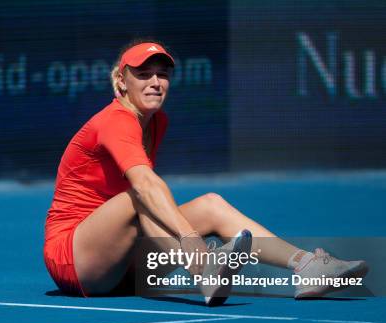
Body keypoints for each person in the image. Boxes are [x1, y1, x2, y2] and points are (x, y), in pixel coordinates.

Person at [43, 39, 368, 304]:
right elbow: (144, 187)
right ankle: (203, 269)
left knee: (211, 204)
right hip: (74, 259)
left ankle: (306, 265)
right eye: (143, 74)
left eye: (162, 74)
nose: (155, 82)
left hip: (121, 264)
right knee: (139, 194)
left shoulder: (157, 122)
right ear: (120, 81)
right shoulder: (115, 120)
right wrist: (189, 238)